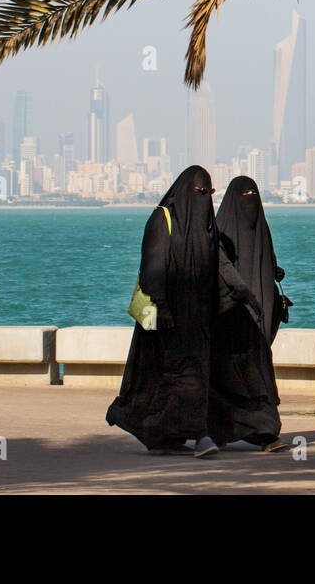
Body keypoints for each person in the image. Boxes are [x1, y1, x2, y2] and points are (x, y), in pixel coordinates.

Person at [107, 165, 223, 457]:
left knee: (184, 375)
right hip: (169, 315)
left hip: (199, 317)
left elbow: (218, 266)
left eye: (209, 193)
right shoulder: (163, 219)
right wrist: (163, 308)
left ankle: (162, 432)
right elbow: (152, 268)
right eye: (200, 193)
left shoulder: (206, 225)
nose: (204, 198)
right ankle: (199, 436)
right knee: (185, 375)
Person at [210, 175, 289, 452]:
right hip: (231, 319)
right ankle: (256, 431)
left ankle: (264, 431)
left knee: (255, 374)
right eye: (243, 195)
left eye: (253, 194)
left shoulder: (262, 233)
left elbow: (268, 267)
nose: (249, 201)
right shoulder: (221, 233)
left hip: (259, 321)